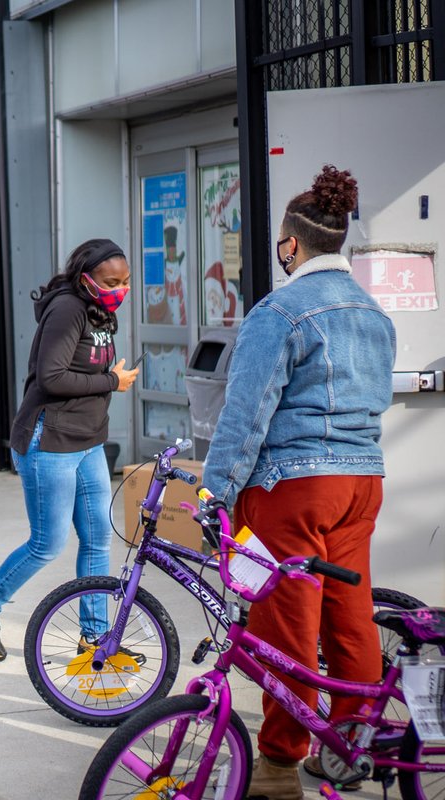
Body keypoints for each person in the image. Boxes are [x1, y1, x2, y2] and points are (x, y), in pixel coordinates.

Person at [201, 165, 394, 800]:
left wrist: (216, 492)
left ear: (291, 243)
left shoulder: (278, 312)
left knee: (288, 627)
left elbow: (246, 413)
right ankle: (349, 748)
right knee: (350, 618)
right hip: (362, 483)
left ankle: (279, 766)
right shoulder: (373, 313)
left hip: (295, 488)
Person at [0, 239, 139, 663]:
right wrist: (113, 382)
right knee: (48, 543)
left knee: (97, 540)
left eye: (126, 282)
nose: (120, 290)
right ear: (86, 278)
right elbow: (51, 378)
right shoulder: (68, 309)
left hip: (88, 441)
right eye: (112, 282)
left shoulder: (101, 312)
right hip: (49, 441)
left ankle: (94, 637)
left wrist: (107, 380)